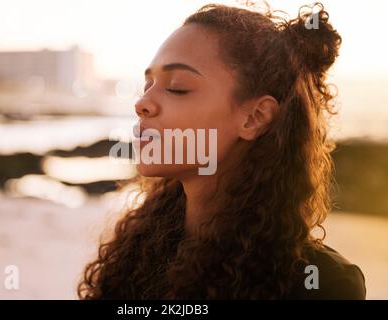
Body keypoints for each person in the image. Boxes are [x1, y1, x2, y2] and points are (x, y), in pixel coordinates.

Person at [78, 2, 366, 299]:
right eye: (148, 84)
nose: (142, 104)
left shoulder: (323, 285)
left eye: (177, 87)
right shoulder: (137, 253)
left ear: (255, 117)